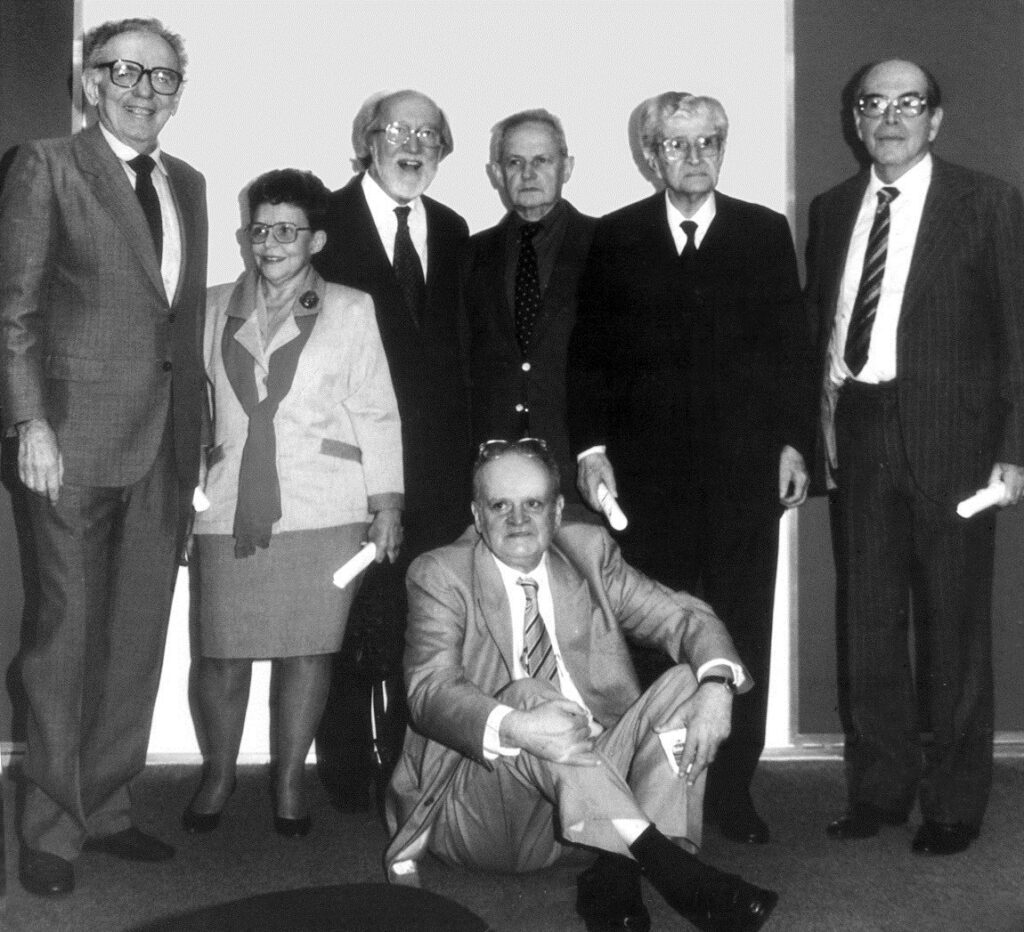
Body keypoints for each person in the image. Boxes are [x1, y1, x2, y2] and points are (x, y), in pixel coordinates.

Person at [385, 439, 777, 932]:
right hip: (481, 807)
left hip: (581, 814)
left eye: (533, 504)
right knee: (530, 694)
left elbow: (681, 617)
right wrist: (520, 728)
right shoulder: (441, 573)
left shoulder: (587, 553)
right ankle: (670, 868)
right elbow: (429, 692)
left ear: (558, 510)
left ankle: (616, 872)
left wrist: (718, 686)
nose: (518, 519)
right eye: (499, 505)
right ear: (476, 515)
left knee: (685, 683)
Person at [567, 92, 815, 845]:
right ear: (651, 155)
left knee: (740, 628)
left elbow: (791, 350)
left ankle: (734, 791)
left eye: (709, 141)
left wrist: (794, 442)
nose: (695, 156)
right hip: (649, 482)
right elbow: (591, 355)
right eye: (677, 145)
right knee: (651, 633)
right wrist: (592, 450)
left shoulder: (764, 233)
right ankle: (657, 786)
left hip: (743, 477)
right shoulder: (615, 237)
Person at [0, 18, 208, 896]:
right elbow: (15, 313)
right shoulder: (46, 165)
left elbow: (175, 325)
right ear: (91, 81)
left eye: (164, 77)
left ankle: (110, 806)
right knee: (63, 641)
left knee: (134, 641)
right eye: (126, 70)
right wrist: (30, 426)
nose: (145, 88)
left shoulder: (188, 182)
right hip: (71, 446)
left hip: (162, 450)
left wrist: (196, 450)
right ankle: (50, 826)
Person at [806, 59, 1024, 856]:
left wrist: (1015, 450)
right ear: (854, 120)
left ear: (935, 119)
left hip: (957, 443)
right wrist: (812, 430)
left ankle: (955, 805)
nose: (889, 116)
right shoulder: (832, 210)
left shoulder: (988, 202)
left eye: (909, 102)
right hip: (860, 432)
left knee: (955, 633)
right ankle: (880, 791)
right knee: (867, 624)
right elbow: (820, 331)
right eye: (873, 102)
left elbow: (1020, 337)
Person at [182, 169, 402, 838]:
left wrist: (387, 503)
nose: (271, 242)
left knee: (308, 652)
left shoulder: (352, 307)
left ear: (317, 239)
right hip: (230, 504)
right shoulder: (212, 305)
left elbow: (377, 410)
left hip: (322, 505)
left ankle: (287, 781)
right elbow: (193, 409)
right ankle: (218, 775)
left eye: (287, 230)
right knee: (219, 652)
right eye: (260, 229)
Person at [312, 90, 471, 811]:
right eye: (398, 130)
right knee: (349, 623)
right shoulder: (325, 224)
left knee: (425, 623)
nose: (414, 144)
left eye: (429, 134)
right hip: (347, 465)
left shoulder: (456, 229)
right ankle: (347, 770)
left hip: (437, 467)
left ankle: (414, 770)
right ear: (366, 138)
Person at [463, 109, 595, 499]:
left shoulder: (607, 245)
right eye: (514, 162)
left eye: (542, 161)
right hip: (495, 477)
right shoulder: (470, 254)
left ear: (567, 167)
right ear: (496, 173)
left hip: (580, 474)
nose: (528, 173)